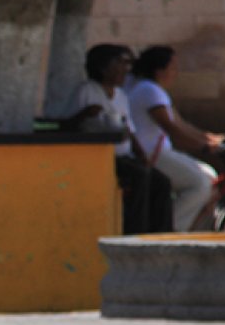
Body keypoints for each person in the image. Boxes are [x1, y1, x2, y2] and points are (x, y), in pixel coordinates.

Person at [64, 44, 173, 234]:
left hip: (125, 156)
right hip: (99, 157)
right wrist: (85, 114)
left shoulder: (121, 96)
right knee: (139, 177)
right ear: (103, 67)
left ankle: (160, 233)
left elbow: (129, 130)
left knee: (161, 182)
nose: (125, 70)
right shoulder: (86, 91)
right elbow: (66, 126)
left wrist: (142, 156)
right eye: (120, 64)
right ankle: (134, 232)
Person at [128, 45, 225, 232]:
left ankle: (195, 229)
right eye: (172, 67)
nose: (176, 72)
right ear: (159, 71)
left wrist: (210, 138)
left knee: (210, 176)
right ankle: (172, 229)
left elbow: (181, 124)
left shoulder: (153, 90)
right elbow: (172, 128)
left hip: (159, 152)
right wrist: (203, 147)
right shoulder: (149, 90)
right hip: (151, 153)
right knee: (199, 185)